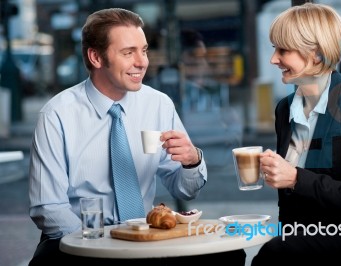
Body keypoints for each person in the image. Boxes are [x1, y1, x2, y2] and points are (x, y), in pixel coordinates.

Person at [28, 8, 245, 265]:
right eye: (128, 52)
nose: (142, 62)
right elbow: (48, 208)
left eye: (143, 50)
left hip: (144, 236)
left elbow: (185, 189)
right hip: (81, 238)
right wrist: (100, 244)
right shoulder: (57, 115)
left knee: (229, 255)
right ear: (96, 57)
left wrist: (192, 161)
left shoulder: (158, 105)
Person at [252, 3, 341, 263]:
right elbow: (290, 205)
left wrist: (295, 177)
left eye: (283, 49)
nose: (273, 59)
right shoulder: (284, 109)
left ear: (317, 54)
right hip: (315, 231)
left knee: (273, 255)